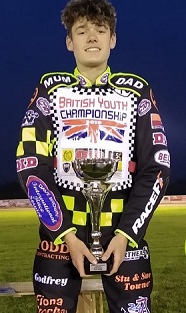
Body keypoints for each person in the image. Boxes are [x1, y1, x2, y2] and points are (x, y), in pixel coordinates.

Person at [16, 0, 170, 312]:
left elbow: (157, 166)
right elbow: (31, 164)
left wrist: (127, 235)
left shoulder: (137, 91)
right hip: (58, 241)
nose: (92, 38)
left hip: (124, 237)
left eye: (100, 31)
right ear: (69, 41)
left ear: (112, 39)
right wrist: (66, 235)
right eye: (82, 31)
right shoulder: (50, 88)